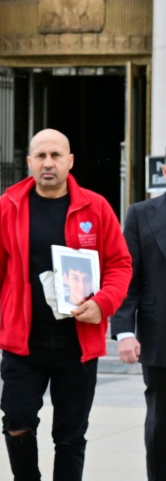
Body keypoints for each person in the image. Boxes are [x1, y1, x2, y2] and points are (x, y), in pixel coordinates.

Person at [0, 128, 132, 481]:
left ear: (70, 161)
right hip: (25, 342)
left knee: (70, 436)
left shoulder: (96, 207)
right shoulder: (9, 207)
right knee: (16, 422)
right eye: (40, 156)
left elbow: (120, 264)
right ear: (29, 162)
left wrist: (103, 303)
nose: (48, 163)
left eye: (55, 155)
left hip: (77, 342)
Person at [110, 158, 166, 481]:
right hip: (160, 336)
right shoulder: (141, 214)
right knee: (160, 423)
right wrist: (124, 332)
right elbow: (126, 277)